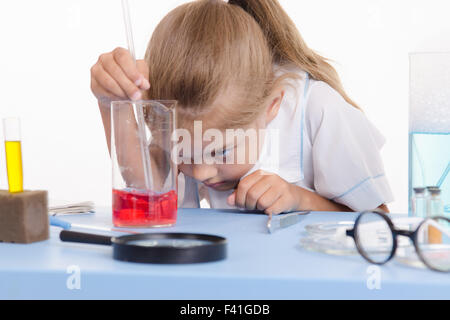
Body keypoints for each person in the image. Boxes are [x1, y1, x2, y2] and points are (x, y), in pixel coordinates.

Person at [90, 0, 394, 214]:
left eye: (221, 152)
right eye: (181, 151)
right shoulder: (183, 115)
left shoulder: (320, 110)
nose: (203, 172)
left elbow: (377, 218)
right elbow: (146, 187)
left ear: (272, 106)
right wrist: (110, 103)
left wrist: (299, 199)